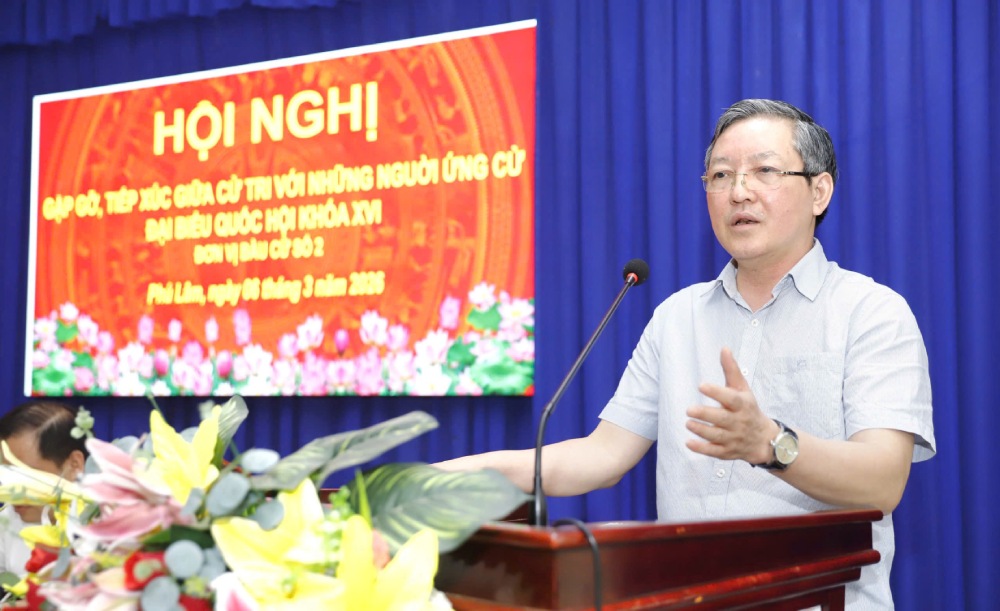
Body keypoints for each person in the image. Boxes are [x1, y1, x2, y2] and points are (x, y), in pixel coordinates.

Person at [437, 99, 936, 609]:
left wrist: (771, 443)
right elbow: (602, 454)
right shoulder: (677, 317)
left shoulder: (872, 313)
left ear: (819, 191)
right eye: (720, 175)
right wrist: (455, 475)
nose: (738, 191)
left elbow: (882, 480)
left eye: (763, 170)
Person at [0, 400, 88, 576]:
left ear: (74, 465)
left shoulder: (110, 526)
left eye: (25, 476)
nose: (12, 491)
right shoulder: (6, 523)